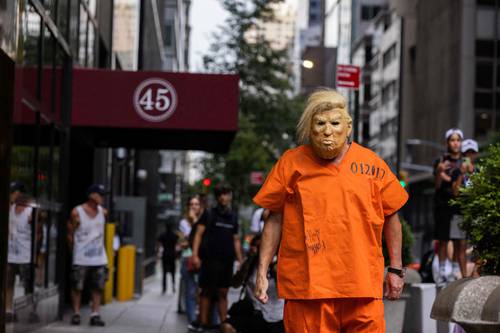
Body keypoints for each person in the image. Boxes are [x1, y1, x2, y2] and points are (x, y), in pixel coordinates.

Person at [253, 89, 409, 332]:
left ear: (348, 127)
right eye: (320, 124)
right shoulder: (290, 163)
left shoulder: (372, 164)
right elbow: (274, 219)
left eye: (335, 123)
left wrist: (396, 270)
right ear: (309, 129)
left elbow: (392, 217)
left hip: (362, 287)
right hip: (307, 290)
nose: (327, 131)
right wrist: (261, 272)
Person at [192, 184, 244, 331]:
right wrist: (195, 255)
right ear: (217, 197)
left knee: (223, 292)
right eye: (220, 194)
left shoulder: (233, 216)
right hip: (209, 260)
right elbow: (198, 234)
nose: (223, 197)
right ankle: (203, 324)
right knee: (206, 291)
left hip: (226, 261)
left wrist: (241, 261)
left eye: (226, 194)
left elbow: (236, 240)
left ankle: (223, 325)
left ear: (230, 196)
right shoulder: (209, 213)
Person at [221, 234, 285, 333]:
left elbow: (285, 289)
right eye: (256, 246)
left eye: (262, 246)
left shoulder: (278, 264)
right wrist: (248, 261)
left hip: (275, 317)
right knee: (226, 327)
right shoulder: (250, 264)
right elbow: (235, 283)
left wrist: (273, 266)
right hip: (253, 313)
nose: (259, 250)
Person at [68, 184, 109, 326]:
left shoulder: (103, 212)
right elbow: (70, 234)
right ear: (91, 195)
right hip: (81, 257)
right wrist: (73, 253)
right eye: (100, 194)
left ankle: (95, 314)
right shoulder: (76, 212)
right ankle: (76, 314)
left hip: (99, 257)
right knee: (77, 286)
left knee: (98, 287)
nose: (103, 198)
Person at [433, 128, 463, 284]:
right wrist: (438, 172)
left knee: (459, 240)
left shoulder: (465, 162)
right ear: (447, 142)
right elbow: (437, 186)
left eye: (458, 140)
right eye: (452, 140)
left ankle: (456, 269)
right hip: (443, 205)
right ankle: (443, 270)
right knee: (443, 239)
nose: (455, 143)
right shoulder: (440, 161)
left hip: (459, 206)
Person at [449, 138, 479, 278]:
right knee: (460, 245)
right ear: (463, 155)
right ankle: (464, 276)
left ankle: (476, 273)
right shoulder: (456, 172)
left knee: (479, 245)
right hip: (459, 213)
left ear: (476, 154)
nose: (469, 155)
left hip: (475, 214)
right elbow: (455, 193)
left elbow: (481, 192)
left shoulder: (479, 171)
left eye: (472, 152)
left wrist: (472, 174)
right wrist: (461, 173)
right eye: (467, 153)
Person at [6, 183, 33, 323]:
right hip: (11, 254)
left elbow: (38, 232)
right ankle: (9, 310)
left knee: (27, 284)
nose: (11, 195)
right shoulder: (9, 209)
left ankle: (30, 311)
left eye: (13, 192)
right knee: (8, 282)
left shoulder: (30, 211)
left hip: (26, 255)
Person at [178, 195, 203, 329]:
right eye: (191, 204)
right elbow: (191, 239)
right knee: (190, 291)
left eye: (196, 204)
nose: (194, 206)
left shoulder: (205, 220)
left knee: (202, 291)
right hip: (187, 259)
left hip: (203, 260)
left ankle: (200, 319)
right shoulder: (184, 222)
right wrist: (194, 220)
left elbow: (193, 240)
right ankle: (192, 321)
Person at [157, 223, 179, 294]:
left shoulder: (163, 235)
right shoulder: (175, 235)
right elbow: (177, 244)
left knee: (164, 272)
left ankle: (164, 288)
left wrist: (158, 252)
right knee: (173, 272)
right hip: (172, 255)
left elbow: (159, 243)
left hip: (165, 254)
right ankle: (173, 286)